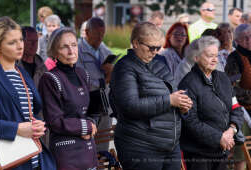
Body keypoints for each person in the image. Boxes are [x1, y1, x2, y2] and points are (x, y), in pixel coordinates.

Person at [109, 22, 193, 170]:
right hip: (140, 146)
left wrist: (183, 107)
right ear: (135, 43)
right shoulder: (124, 67)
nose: (155, 52)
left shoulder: (159, 62)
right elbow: (130, 106)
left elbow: (173, 94)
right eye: (151, 47)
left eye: (158, 48)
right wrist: (169, 101)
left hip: (170, 145)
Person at [0, 16, 56, 170]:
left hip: (35, 158)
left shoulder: (22, 73)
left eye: (21, 40)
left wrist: (36, 125)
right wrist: (16, 129)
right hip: (8, 161)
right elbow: (18, 122)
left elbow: (28, 112)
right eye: (12, 42)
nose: (19, 46)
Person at [178, 36, 243, 170]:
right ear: (196, 58)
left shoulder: (223, 78)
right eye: (209, 56)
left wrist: (231, 130)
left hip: (222, 149)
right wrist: (219, 137)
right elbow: (191, 121)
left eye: (216, 55)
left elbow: (236, 108)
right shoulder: (188, 83)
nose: (215, 59)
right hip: (198, 154)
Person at [38, 27, 98, 170]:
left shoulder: (83, 74)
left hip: (89, 151)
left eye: (73, 45)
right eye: (64, 47)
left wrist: (91, 122)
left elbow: (92, 110)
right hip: (66, 155)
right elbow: (54, 121)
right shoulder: (49, 79)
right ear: (54, 52)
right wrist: (85, 127)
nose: (71, 51)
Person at [77, 17, 113, 152]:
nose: (100, 39)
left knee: (103, 149)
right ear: (86, 32)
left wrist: (112, 72)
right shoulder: (77, 51)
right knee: (87, 149)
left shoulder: (105, 50)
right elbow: (80, 79)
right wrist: (104, 81)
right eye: (97, 35)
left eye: (102, 35)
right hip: (87, 108)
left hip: (105, 108)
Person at [225, 24, 251, 170]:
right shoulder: (234, 59)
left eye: (250, 36)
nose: (249, 40)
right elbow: (231, 87)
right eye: (244, 38)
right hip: (242, 111)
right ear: (238, 41)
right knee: (241, 154)